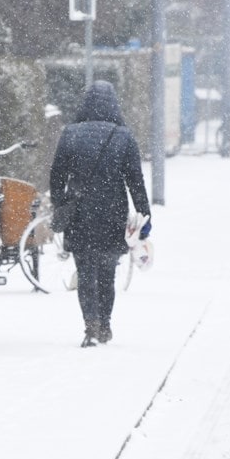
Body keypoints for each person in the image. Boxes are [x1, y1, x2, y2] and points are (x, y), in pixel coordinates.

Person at [49, 80, 151, 347]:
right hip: (112, 212)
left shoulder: (70, 133)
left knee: (85, 272)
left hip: (80, 212)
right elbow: (135, 182)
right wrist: (144, 217)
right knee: (107, 272)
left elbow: (56, 175)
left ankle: (90, 325)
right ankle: (104, 323)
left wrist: (60, 205)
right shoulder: (123, 136)